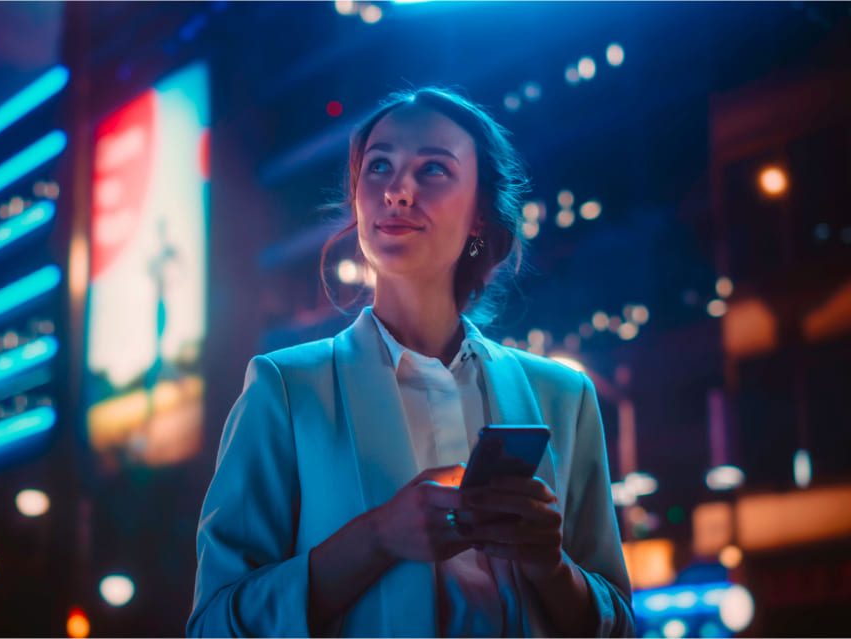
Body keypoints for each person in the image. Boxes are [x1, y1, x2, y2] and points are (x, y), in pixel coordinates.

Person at [187, 88, 634, 637]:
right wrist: (376, 538)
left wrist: (550, 566)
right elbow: (214, 626)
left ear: (480, 214)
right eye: (379, 166)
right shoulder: (284, 389)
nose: (397, 190)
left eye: (434, 170)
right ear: (356, 200)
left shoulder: (564, 397)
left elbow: (618, 626)